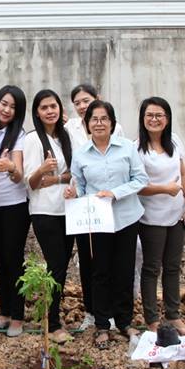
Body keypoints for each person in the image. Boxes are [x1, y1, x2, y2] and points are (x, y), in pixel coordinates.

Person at [65, 100, 148, 349]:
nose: (99, 123)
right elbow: (78, 183)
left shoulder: (127, 148)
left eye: (104, 119)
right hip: (97, 220)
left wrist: (115, 192)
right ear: (87, 124)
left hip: (126, 216)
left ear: (112, 123)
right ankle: (102, 324)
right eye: (94, 119)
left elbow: (140, 179)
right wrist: (73, 192)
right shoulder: (81, 154)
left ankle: (124, 321)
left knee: (123, 270)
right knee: (99, 271)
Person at [64, 83, 124, 330]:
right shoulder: (68, 128)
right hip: (81, 204)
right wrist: (72, 189)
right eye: (77, 102)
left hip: (108, 200)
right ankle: (92, 310)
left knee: (108, 259)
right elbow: (74, 169)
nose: (81, 106)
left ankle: (110, 312)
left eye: (85, 100)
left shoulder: (114, 126)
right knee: (88, 259)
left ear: (97, 99)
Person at [135, 97, 185, 335]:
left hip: (176, 215)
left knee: (172, 267)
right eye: (149, 115)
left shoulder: (175, 141)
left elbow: (183, 174)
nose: (154, 119)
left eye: (159, 115)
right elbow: (137, 186)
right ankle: (152, 319)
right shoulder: (137, 148)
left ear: (167, 118)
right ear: (143, 119)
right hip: (151, 217)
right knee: (151, 268)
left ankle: (174, 316)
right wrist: (164, 189)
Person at [24, 89, 75, 343]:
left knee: (63, 264)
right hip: (45, 211)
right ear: (37, 112)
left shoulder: (67, 137)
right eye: (44, 108)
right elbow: (32, 183)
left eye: (53, 106)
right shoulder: (33, 140)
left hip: (68, 210)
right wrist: (43, 171)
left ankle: (52, 315)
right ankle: (52, 323)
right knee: (55, 264)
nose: (50, 111)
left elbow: (72, 173)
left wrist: (55, 178)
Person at [0, 85, 29, 337]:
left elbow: (19, 175)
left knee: (14, 260)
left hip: (14, 207)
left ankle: (18, 316)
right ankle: (5, 311)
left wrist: (11, 167)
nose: (6, 109)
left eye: (12, 106)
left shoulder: (18, 134)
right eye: (4, 103)